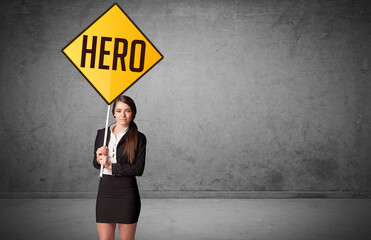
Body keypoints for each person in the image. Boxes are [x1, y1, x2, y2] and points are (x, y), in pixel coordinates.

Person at [93, 95, 146, 240]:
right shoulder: (102, 134)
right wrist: (98, 159)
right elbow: (96, 163)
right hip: (105, 191)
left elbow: (138, 169)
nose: (123, 115)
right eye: (119, 110)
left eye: (127, 111)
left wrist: (111, 165)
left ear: (133, 113)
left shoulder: (139, 138)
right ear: (114, 113)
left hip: (127, 193)